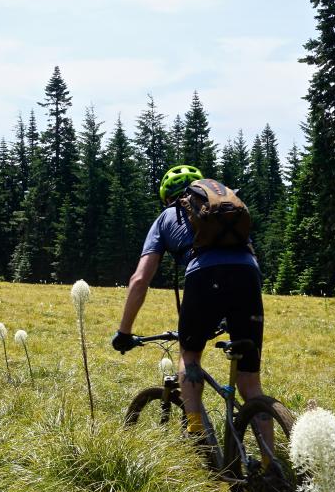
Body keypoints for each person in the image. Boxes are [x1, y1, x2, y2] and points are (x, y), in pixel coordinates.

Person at [111, 165, 271, 448]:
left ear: (168, 199)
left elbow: (139, 280)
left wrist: (124, 331)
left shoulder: (166, 218)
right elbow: (234, 264)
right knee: (249, 382)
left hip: (205, 279)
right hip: (249, 277)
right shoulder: (227, 214)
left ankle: (198, 438)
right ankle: (272, 462)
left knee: (190, 357)